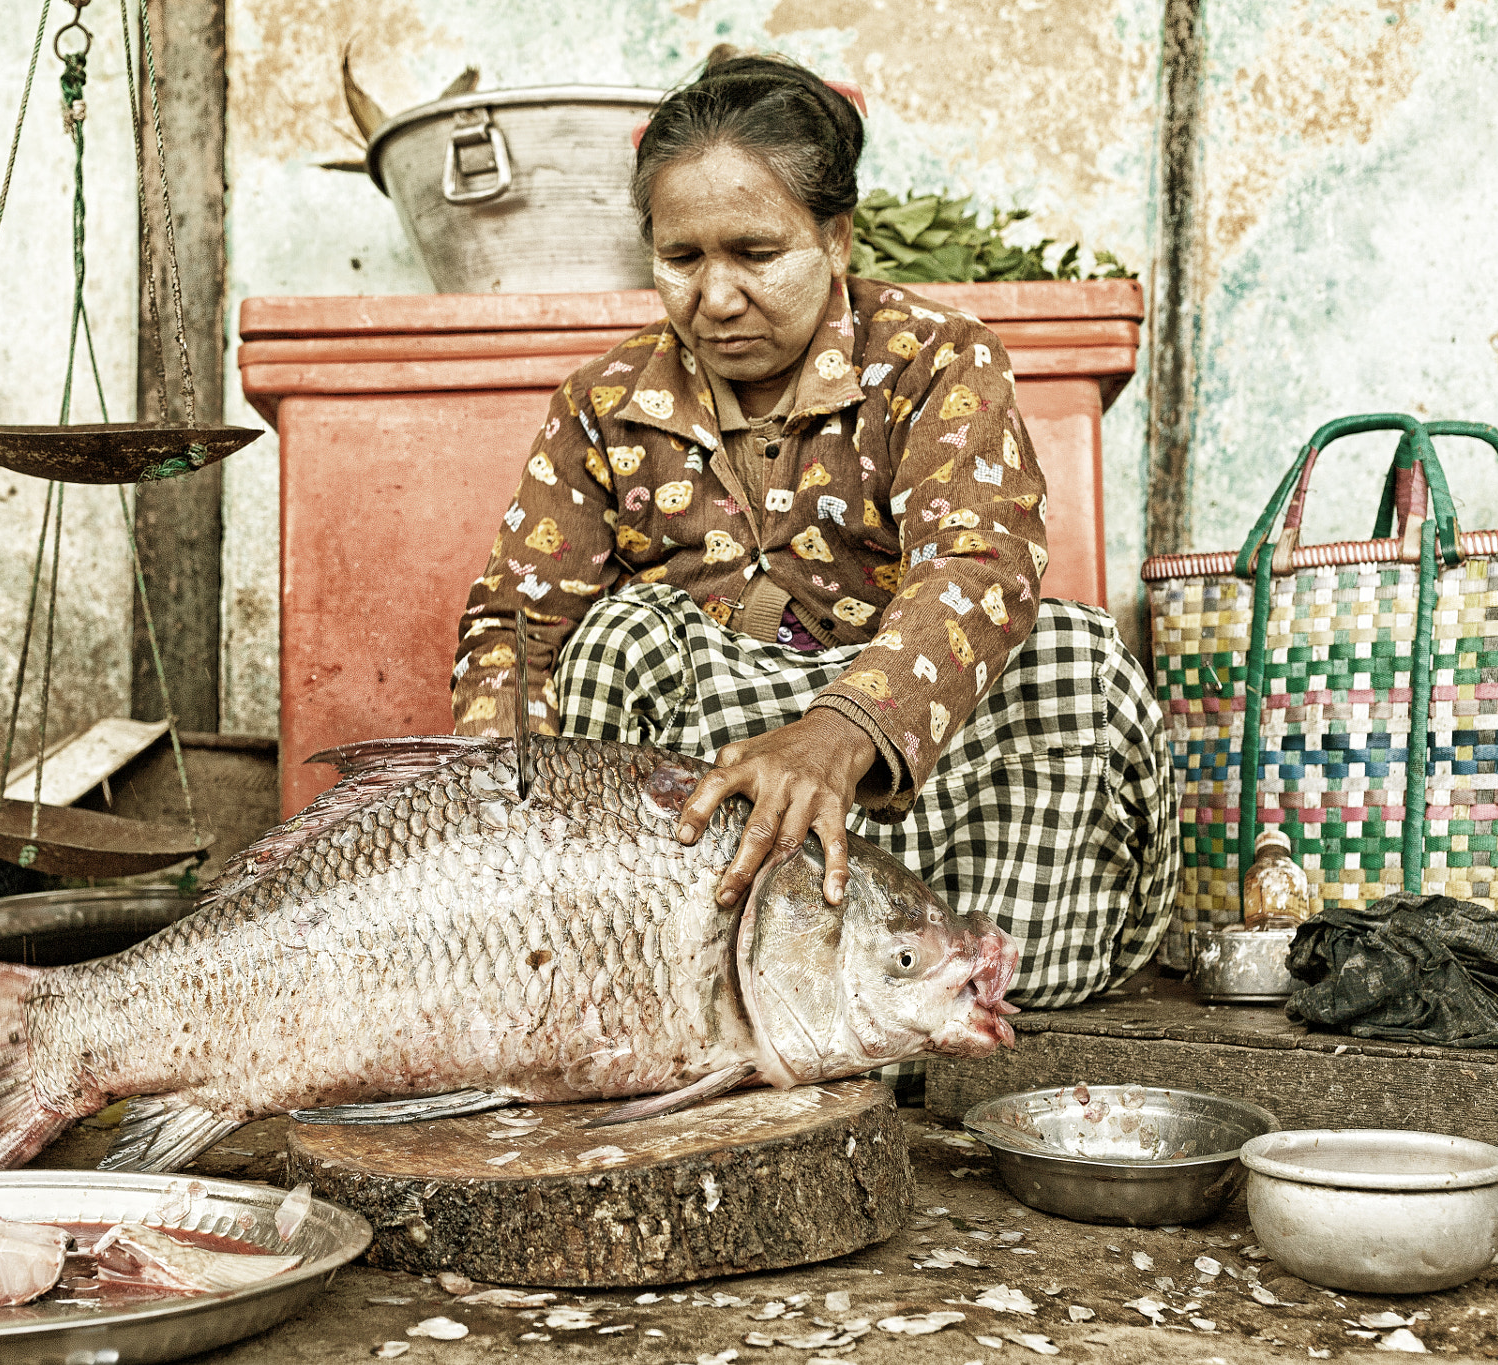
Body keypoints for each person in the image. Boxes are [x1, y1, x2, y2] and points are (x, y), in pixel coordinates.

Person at [451, 51, 1175, 1010]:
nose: (715, 296)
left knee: (1077, 655)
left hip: (915, 785)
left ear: (835, 238)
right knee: (611, 642)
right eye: (681, 259)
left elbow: (979, 560)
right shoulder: (604, 403)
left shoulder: (934, 359)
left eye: (755, 254)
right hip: (711, 816)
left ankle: (944, 988)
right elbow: (516, 625)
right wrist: (484, 838)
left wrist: (840, 732)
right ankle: (679, 993)